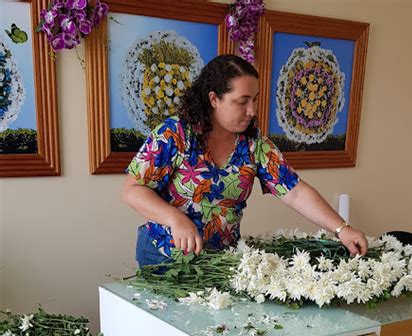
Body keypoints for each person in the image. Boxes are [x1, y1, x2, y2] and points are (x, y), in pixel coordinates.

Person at [123, 54, 368, 268]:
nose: (251, 110)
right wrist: (174, 218)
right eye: (242, 101)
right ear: (214, 99)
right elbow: (134, 190)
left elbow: (294, 191)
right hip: (163, 256)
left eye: (255, 100)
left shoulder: (254, 145)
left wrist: (342, 229)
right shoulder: (174, 134)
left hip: (222, 261)